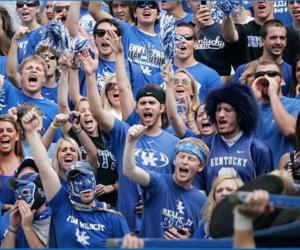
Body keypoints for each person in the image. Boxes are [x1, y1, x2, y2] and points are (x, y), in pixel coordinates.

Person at [81, 47, 179, 232]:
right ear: (137, 109)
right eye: (142, 103)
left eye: (152, 103)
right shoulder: (124, 133)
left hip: (160, 226)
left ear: (162, 108)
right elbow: (97, 112)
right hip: (126, 225)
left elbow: (177, 185)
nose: (147, 107)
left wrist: (158, 201)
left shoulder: (174, 143)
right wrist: (90, 75)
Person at [21, 109, 130, 248]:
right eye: (78, 181)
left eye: (87, 179)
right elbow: (43, 165)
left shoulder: (114, 217)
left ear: (95, 179)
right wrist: (31, 133)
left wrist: (78, 129)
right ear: (69, 184)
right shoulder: (61, 204)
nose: (84, 185)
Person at [123, 125, 209, 238]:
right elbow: (130, 171)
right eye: (182, 156)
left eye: (191, 159)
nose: (185, 162)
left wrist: (188, 244)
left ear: (200, 167)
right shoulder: (157, 182)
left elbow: (202, 239)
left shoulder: (202, 201)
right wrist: (130, 142)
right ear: (174, 161)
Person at [203, 81, 274, 192]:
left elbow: (266, 192)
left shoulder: (258, 149)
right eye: (218, 110)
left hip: (245, 208)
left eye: (227, 110)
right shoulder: (205, 147)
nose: (221, 115)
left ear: (241, 115)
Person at [89, 1, 164, 86]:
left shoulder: (164, 42)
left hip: (152, 96)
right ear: (135, 13)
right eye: (141, 5)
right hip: (127, 91)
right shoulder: (125, 30)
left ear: (158, 15)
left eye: (152, 5)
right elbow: (94, 10)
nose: (147, 7)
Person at [153, 22, 223, 103]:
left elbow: (216, 106)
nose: (182, 41)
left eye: (188, 38)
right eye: (177, 38)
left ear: (195, 43)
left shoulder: (210, 75)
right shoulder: (160, 76)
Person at [221, 0, 300, 67]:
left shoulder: (291, 34)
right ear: (252, 2)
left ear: (273, 1)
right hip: (248, 81)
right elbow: (230, 37)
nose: (261, 1)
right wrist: (226, 15)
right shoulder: (244, 30)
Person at [0, 56, 60, 142]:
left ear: (44, 79)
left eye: (38, 69)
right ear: (20, 75)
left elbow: (56, 144)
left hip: (37, 153)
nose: (33, 70)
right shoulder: (9, 92)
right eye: (29, 68)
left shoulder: (54, 108)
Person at [252, 59, 300, 167]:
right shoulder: (250, 106)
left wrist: (273, 94)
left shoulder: (296, 104)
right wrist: (252, 100)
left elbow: (290, 130)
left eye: (272, 74)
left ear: (282, 81)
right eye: (259, 75)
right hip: (255, 178)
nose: (265, 78)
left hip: (284, 176)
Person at [232, 19, 292, 96]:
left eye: (282, 38)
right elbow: (234, 100)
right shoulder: (244, 70)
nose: (278, 42)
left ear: (286, 41)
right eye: (273, 38)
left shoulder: (292, 72)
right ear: (262, 41)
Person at [0, 158, 51, 248]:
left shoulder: (55, 217)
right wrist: (12, 228)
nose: (22, 189)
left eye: (30, 176)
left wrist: (27, 228)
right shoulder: (6, 219)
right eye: (20, 182)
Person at [0, 114, 24, 212]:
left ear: (17, 136)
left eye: (9, 130)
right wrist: (3, 207)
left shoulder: (27, 164)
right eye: (0, 131)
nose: (4, 134)